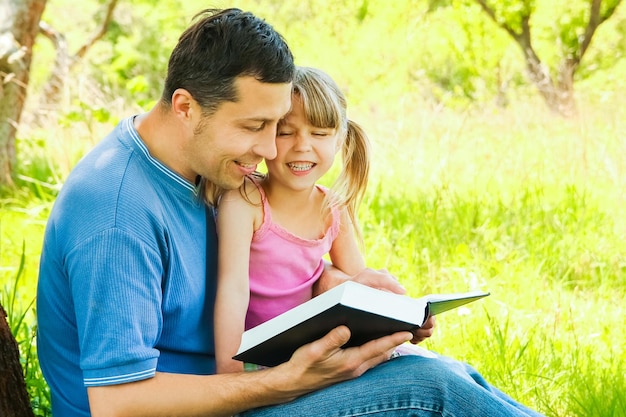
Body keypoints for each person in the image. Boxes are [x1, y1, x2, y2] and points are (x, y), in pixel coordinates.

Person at [36, 7, 544, 417]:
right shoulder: (117, 210)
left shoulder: (202, 166)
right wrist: (284, 384)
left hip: (240, 384)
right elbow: (118, 403)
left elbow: (275, 259)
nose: (270, 149)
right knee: (430, 388)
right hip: (204, 403)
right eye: (256, 126)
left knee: (451, 374)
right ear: (187, 108)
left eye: (273, 125)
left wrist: (340, 290)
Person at [213, 66, 435, 374]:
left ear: (339, 139)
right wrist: (229, 379)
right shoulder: (246, 202)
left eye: (319, 133)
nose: (302, 145)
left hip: (316, 349)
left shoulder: (332, 206)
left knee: (438, 368)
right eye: (286, 132)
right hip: (259, 362)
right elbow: (232, 290)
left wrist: (407, 320)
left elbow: (359, 290)